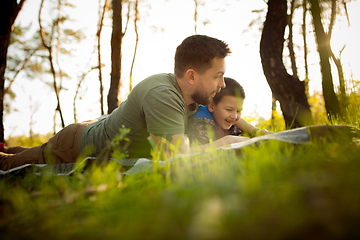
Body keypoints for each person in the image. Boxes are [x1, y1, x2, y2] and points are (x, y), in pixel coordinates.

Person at [0, 35, 250, 170]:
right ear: (192, 76)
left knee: (23, 153)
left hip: (92, 128)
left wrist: (256, 131)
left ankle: (11, 148)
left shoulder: (193, 96)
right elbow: (175, 158)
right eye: (218, 76)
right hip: (74, 147)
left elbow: (228, 112)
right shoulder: (163, 95)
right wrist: (225, 143)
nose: (223, 85)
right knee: (9, 166)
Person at [186, 77, 271, 145]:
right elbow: (200, 151)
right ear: (211, 106)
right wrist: (229, 140)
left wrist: (256, 131)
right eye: (229, 109)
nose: (234, 116)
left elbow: (239, 122)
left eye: (238, 111)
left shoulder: (224, 118)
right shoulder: (202, 121)